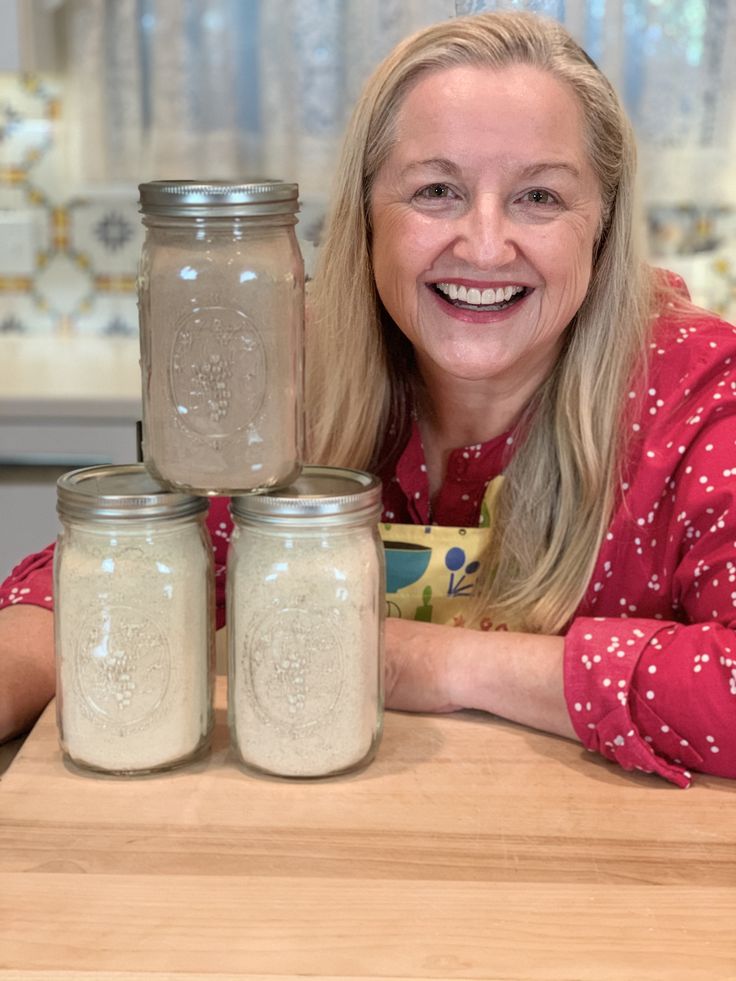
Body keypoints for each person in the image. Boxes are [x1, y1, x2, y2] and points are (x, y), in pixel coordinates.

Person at [1, 11, 735, 787]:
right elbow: (111, 580)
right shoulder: (293, 375)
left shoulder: (699, 395)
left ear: (602, 226)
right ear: (366, 218)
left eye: (540, 197)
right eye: (437, 191)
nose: (485, 246)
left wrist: (435, 662)